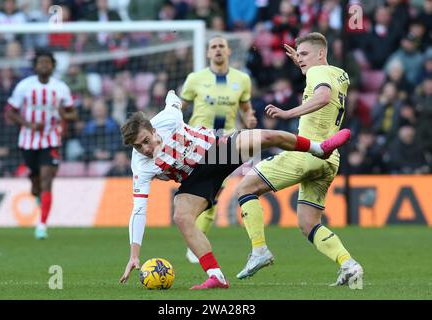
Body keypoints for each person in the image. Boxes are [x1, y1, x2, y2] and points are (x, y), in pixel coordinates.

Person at [118, 90, 351, 290]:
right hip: (195, 179)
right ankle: (216, 276)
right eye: (138, 146)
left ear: (153, 128)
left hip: (216, 150)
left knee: (267, 136)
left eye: (146, 141)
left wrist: (173, 96)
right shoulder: (140, 165)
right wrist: (134, 254)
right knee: (181, 216)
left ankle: (319, 148)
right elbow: (138, 209)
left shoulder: (167, 119)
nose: (144, 149)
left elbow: (173, 100)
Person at [235, 32, 364, 290]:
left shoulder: (318, 74)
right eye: (298, 54)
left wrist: (287, 113)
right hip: (329, 159)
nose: (300, 58)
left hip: (305, 153)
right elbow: (324, 80)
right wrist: (304, 63)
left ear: (321, 54)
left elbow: (323, 96)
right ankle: (349, 265)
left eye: (304, 54)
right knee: (309, 223)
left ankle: (259, 250)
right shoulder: (341, 74)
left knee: (245, 188)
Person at [180, 35, 257, 263]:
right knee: (198, 192)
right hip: (197, 141)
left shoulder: (242, 79)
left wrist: (250, 119)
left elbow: (246, 109)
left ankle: (197, 241)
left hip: (225, 142)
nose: (217, 50)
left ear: (228, 51)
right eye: (213, 47)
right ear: (207, 53)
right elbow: (180, 108)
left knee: (213, 194)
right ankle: (193, 235)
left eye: (221, 46)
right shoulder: (195, 79)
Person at [6, 50, 77, 239]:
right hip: (28, 141)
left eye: (48, 62)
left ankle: (41, 225)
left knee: (47, 179)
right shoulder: (24, 87)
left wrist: (63, 115)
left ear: (53, 66)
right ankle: (34, 182)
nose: (44, 65)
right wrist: (28, 124)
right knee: (37, 183)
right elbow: (11, 112)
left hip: (51, 139)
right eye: (41, 62)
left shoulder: (61, 88)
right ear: (35, 66)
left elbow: (73, 114)